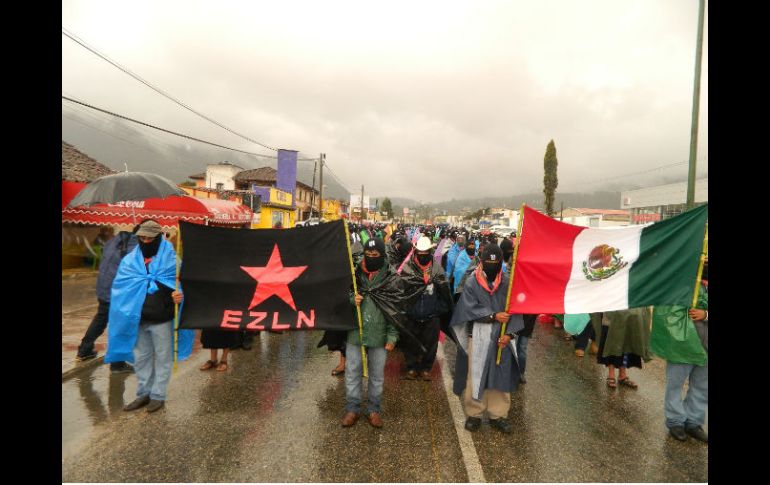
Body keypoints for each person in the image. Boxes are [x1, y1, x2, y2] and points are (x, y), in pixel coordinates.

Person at [106, 220, 189, 413]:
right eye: (142, 238)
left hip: (162, 318)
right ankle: (143, 393)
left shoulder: (172, 260)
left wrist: (179, 296)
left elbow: (181, 285)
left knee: (162, 357)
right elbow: (121, 288)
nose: (145, 241)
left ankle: (158, 395)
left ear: (158, 239)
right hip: (138, 318)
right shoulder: (129, 261)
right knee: (141, 357)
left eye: (150, 238)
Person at [449, 243, 523, 434]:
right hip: (480, 333)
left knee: (500, 375)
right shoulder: (472, 282)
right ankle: (474, 413)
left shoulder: (507, 282)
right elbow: (467, 308)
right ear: (481, 261)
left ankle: (498, 415)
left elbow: (514, 310)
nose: (492, 265)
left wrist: (509, 334)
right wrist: (493, 316)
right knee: (476, 374)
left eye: (496, 262)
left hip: (501, 336)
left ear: (500, 263)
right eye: (488, 262)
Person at [343, 237, 401, 428]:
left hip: (380, 333)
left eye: (375, 255)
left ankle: (374, 409)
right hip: (355, 331)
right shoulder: (354, 273)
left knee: (377, 375)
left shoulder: (390, 278)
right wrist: (352, 299)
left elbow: (395, 310)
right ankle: (352, 408)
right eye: (368, 255)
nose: (370, 258)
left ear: (382, 255)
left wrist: (392, 336)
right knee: (352, 372)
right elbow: (340, 298)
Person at [653, 261, 708, 443]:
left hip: (706, 347)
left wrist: (705, 314)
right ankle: (675, 420)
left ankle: (693, 421)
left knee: (702, 387)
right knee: (675, 384)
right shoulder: (681, 279)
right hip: (682, 345)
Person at [76, 225, 138, 374]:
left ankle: (84, 351)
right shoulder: (135, 246)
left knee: (101, 318)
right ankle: (117, 363)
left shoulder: (115, 240)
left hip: (104, 286)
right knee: (120, 325)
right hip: (118, 291)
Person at [399, 236, 454, 380]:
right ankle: (411, 367)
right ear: (416, 252)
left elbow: (444, 292)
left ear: (430, 252)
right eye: (420, 253)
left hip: (431, 315)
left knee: (431, 344)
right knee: (409, 342)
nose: (423, 256)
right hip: (411, 314)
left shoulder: (437, 270)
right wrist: (405, 310)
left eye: (426, 253)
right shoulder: (407, 269)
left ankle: (425, 368)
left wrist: (437, 310)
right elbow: (400, 292)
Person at [595, 307, 652, 389]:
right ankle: (611, 375)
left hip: (630, 315)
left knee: (626, 343)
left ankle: (622, 375)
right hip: (613, 312)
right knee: (612, 343)